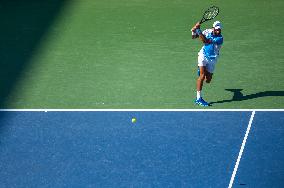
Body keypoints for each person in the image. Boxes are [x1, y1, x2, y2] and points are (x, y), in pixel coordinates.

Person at [191, 21, 223, 106]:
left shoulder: (220, 38)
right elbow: (194, 37)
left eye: (219, 30)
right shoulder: (207, 31)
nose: (218, 31)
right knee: (202, 76)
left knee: (208, 80)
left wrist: (198, 29)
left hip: (212, 59)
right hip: (203, 55)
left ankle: (202, 70)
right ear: (213, 28)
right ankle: (198, 98)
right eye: (216, 29)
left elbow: (205, 41)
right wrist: (193, 31)